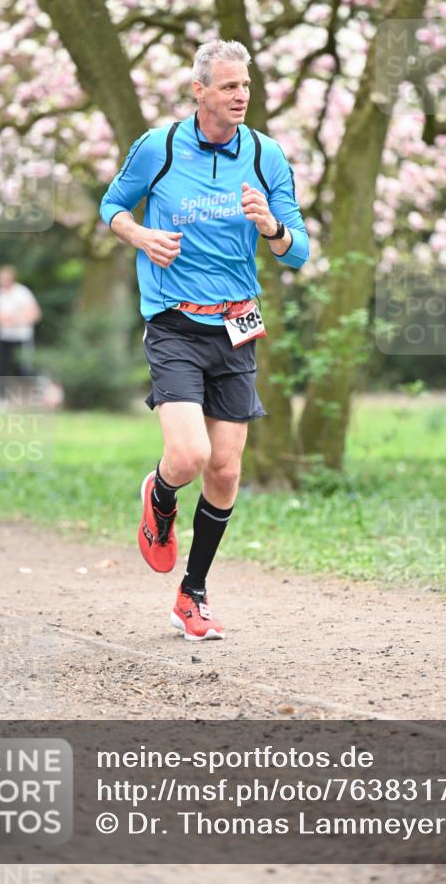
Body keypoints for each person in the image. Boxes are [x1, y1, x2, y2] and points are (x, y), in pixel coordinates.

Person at [100, 39, 309, 642]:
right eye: (228, 87)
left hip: (238, 326)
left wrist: (271, 227)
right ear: (199, 92)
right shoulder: (159, 148)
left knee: (225, 470)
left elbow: (299, 249)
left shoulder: (267, 156)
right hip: (173, 322)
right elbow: (112, 205)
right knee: (188, 457)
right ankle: (160, 495)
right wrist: (139, 235)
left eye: (245, 86)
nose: (241, 96)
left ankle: (192, 593)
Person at [0, 265, 41, 399]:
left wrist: (15, 320)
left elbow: (35, 314)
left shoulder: (22, 292)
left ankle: (45, 391)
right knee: (0, 368)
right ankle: (1, 399)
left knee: (25, 371)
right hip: (4, 337)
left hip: (21, 337)